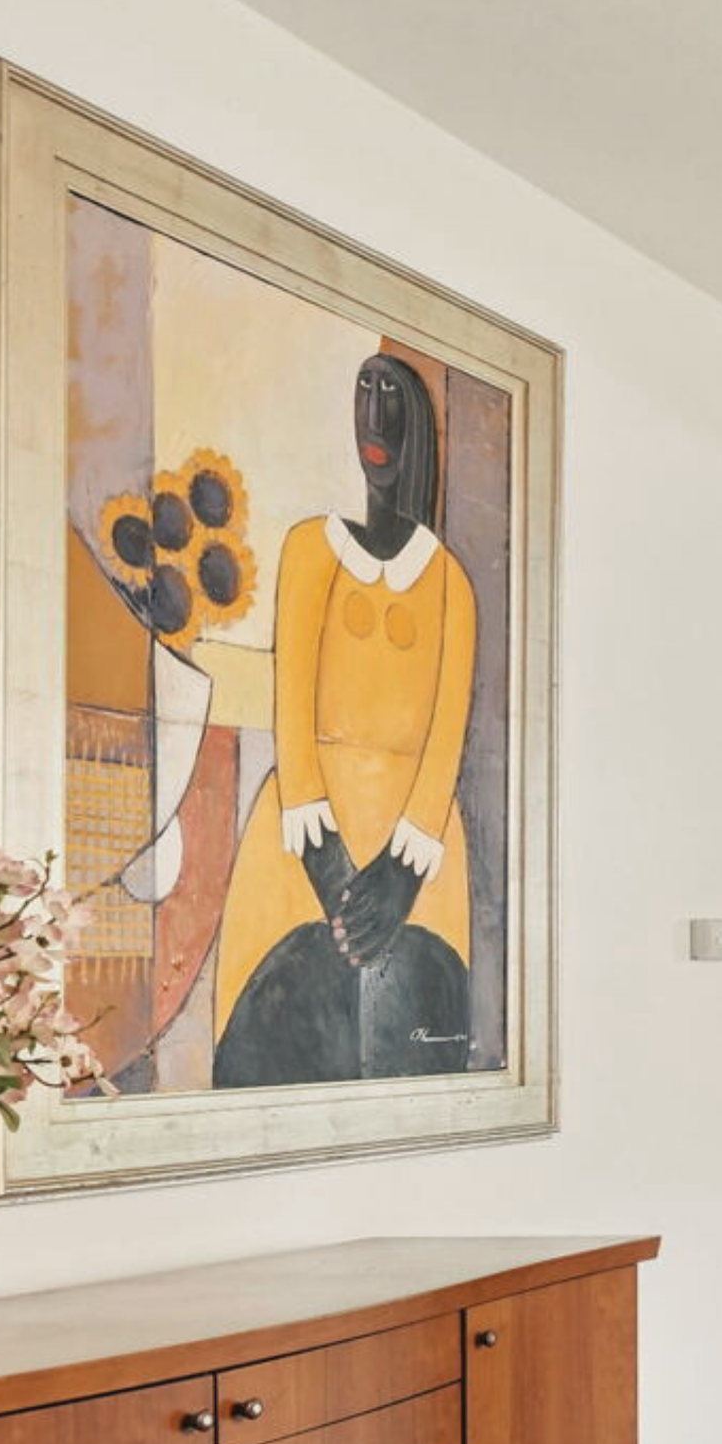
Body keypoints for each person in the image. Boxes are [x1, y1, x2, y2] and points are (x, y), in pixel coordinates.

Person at [213, 349, 482, 1085]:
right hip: (301, 835)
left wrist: (402, 871)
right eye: (363, 392)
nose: (375, 417)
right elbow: (291, 699)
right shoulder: (311, 550)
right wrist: (324, 859)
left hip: (419, 850)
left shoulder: (452, 584)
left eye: (391, 395)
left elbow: (445, 736)